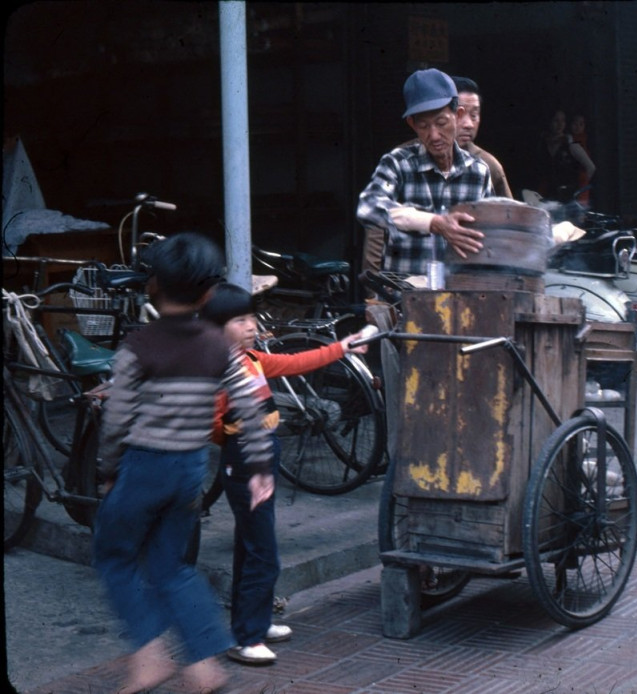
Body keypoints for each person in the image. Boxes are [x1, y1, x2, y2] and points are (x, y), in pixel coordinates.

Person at [92, 233, 274, 693]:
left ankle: (150, 655)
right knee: (172, 567)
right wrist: (258, 469)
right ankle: (203, 665)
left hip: (145, 466)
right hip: (191, 469)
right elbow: (249, 406)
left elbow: (117, 419)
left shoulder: (139, 346)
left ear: (152, 285)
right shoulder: (218, 346)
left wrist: (107, 470)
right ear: (209, 293)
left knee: (114, 555)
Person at [199, 283, 368, 665]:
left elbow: (295, 363)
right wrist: (236, 437)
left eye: (251, 318)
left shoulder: (251, 359)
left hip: (262, 458)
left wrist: (341, 348)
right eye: (239, 320)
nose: (251, 326)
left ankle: (253, 617)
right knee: (263, 551)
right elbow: (207, 421)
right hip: (247, 463)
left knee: (253, 542)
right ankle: (248, 635)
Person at [357, 68, 491, 278]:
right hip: (404, 298)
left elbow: (491, 233)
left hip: (460, 299)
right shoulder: (398, 164)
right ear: (412, 124)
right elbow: (368, 207)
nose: (434, 135)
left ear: (458, 115)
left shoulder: (478, 172)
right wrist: (433, 223)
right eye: (423, 126)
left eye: (441, 123)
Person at [452, 75, 513, 199]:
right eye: (459, 114)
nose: (468, 124)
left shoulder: (489, 165)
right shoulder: (405, 159)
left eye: (474, 115)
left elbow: (508, 214)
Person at [540, 109, 595, 203]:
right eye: (556, 120)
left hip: (570, 199)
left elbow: (591, 167)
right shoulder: (543, 145)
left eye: (563, 121)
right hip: (550, 196)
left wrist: (580, 189)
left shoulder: (571, 145)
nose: (560, 124)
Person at [568, 113, 596, 205]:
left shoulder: (585, 140)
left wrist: (584, 179)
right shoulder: (568, 139)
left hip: (581, 182)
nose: (578, 127)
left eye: (581, 124)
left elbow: (591, 167)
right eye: (575, 123)